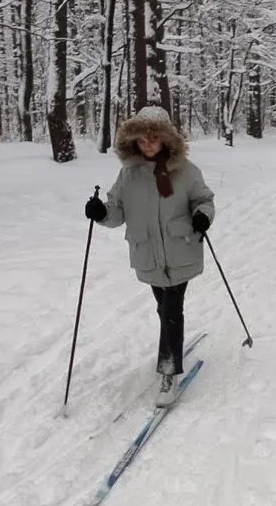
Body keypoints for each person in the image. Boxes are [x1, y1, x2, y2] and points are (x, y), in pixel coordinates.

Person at [83, 105, 215, 407]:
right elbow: (117, 212)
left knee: (171, 307)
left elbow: (204, 200)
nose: (147, 146)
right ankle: (170, 345)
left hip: (180, 251)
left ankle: (169, 370)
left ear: (167, 140)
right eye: (141, 141)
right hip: (148, 255)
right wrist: (101, 212)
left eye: (153, 140)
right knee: (164, 307)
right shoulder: (128, 175)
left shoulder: (186, 171)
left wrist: (202, 216)